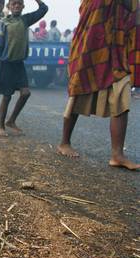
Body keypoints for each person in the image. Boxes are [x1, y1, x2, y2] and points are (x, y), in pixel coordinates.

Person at [57, 0, 139, 171]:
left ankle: (117, 155)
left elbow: (133, 15)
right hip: (90, 48)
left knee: (122, 97)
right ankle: (64, 142)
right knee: (78, 95)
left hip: (118, 50)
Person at [0, 0, 49, 136]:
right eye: (14, 4)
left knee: (25, 93)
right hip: (6, 64)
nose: (16, 6)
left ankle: (11, 121)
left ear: (23, 6)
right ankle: (1, 127)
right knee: (7, 96)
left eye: (19, 4)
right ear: (9, 7)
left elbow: (44, 9)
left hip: (19, 64)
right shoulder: (4, 23)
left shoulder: (25, 20)